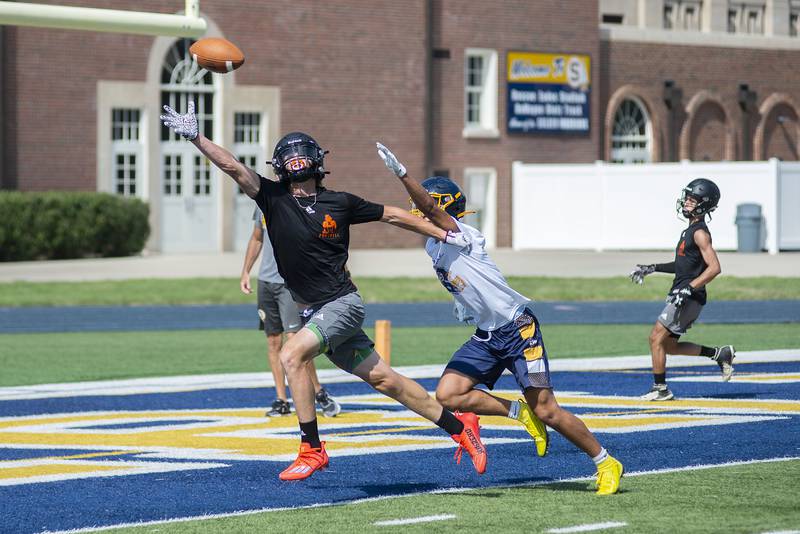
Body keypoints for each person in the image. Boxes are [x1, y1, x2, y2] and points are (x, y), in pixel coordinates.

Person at [161, 102, 487, 482]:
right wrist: (196, 137)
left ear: (316, 161)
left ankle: (312, 448)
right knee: (386, 380)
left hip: (342, 304)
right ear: (280, 166)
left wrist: (446, 233)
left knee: (291, 354)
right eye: (290, 154)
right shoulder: (271, 197)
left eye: (303, 153)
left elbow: (396, 216)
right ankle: (460, 428)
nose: (297, 159)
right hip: (313, 312)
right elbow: (232, 166)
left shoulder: (341, 202)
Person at [376, 143, 624, 495]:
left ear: (442, 209)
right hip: (488, 333)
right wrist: (464, 302)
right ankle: (517, 412)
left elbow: (431, 210)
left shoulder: (463, 234)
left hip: (519, 329)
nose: (418, 210)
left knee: (549, 411)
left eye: (424, 205)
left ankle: (605, 461)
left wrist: (402, 173)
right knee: (448, 393)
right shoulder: (433, 244)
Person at [629, 178, 735, 401]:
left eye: (692, 199)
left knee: (655, 338)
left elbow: (715, 268)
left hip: (688, 297)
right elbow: (683, 265)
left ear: (704, 204)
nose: (686, 202)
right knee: (668, 345)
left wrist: (689, 288)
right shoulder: (689, 231)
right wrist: (653, 268)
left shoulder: (699, 233)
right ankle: (719, 354)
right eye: (687, 198)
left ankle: (660, 389)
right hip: (683, 294)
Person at [240, 206, 341, 418]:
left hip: (290, 283)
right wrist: (246, 271)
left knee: (296, 341)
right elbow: (257, 238)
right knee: (273, 341)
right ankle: (281, 400)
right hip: (266, 283)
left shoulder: (298, 205)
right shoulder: (263, 206)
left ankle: (318, 392)